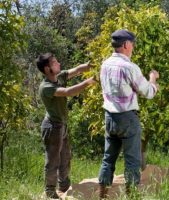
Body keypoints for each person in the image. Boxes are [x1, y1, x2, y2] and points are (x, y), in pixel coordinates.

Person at [98, 29, 159, 198]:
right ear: (126, 44)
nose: (133, 47)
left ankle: (102, 196)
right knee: (132, 161)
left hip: (109, 117)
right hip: (127, 118)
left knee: (108, 159)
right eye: (132, 44)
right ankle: (132, 196)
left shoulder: (105, 64)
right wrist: (153, 79)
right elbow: (148, 92)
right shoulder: (129, 67)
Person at [36, 53, 96, 199]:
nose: (59, 64)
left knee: (66, 157)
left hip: (62, 125)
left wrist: (89, 66)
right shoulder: (46, 87)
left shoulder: (59, 77)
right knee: (53, 161)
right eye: (55, 62)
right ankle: (50, 191)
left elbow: (76, 70)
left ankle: (64, 187)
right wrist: (89, 82)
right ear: (47, 68)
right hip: (52, 127)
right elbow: (68, 92)